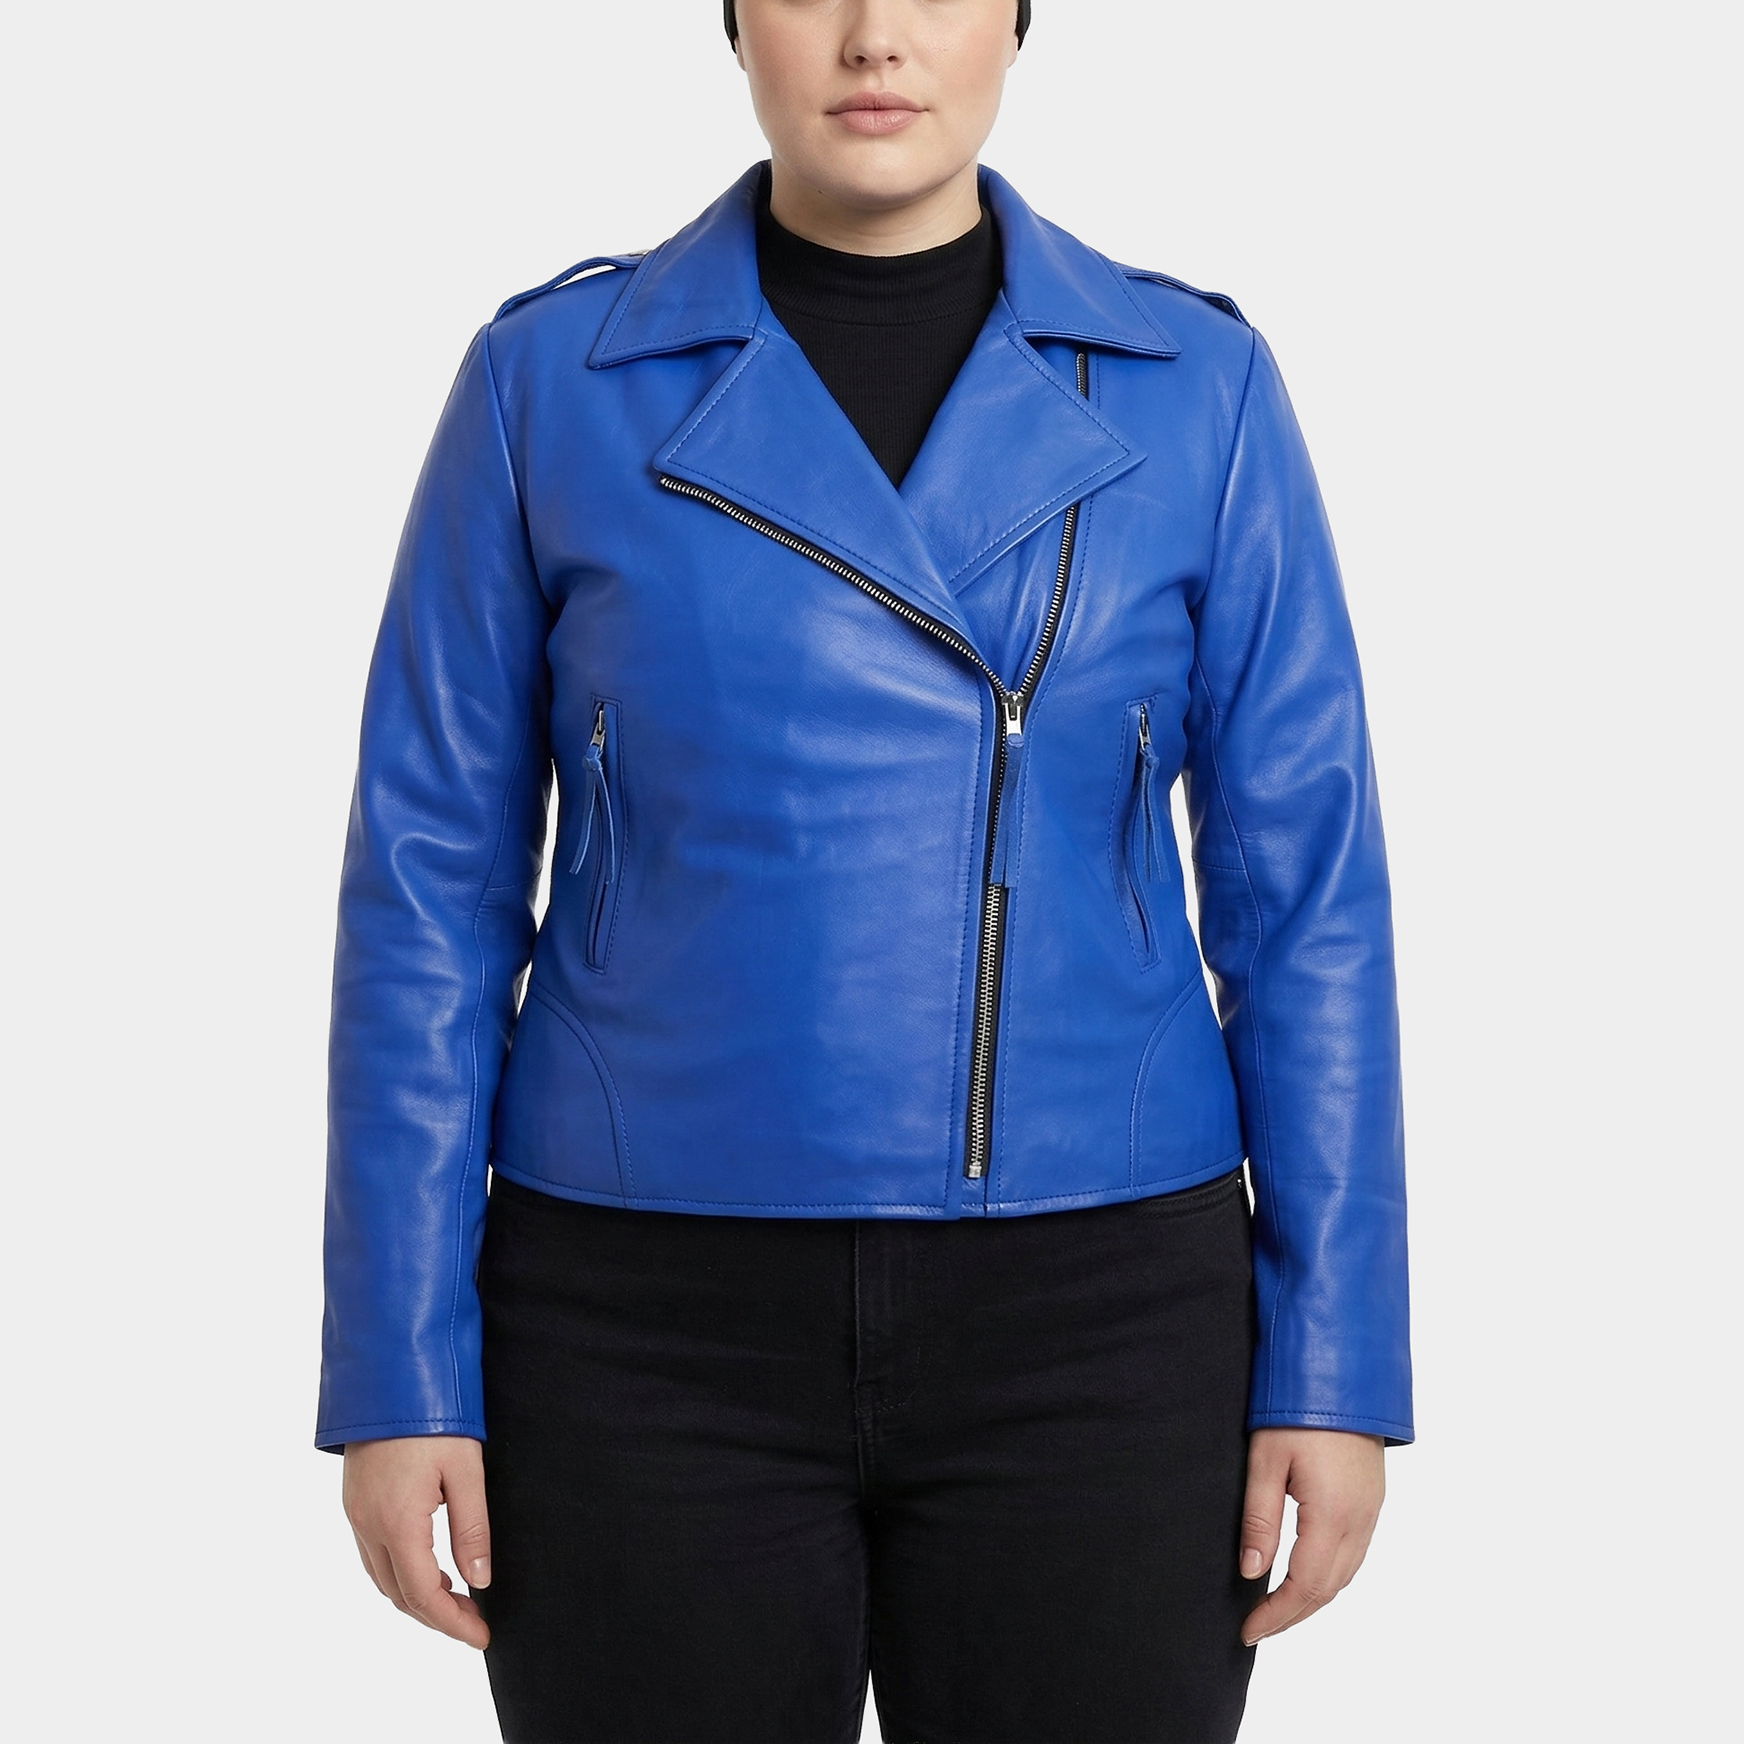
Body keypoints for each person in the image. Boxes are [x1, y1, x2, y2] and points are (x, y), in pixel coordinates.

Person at [317, 2, 1414, 1739]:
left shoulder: (1196, 389)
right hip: (635, 1325)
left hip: (1103, 1323)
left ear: (1022, 16)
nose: (875, 34)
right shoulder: (548, 381)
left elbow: (1307, 901)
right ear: (732, 17)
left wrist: (1337, 1359)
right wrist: (399, 1369)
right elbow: (428, 890)